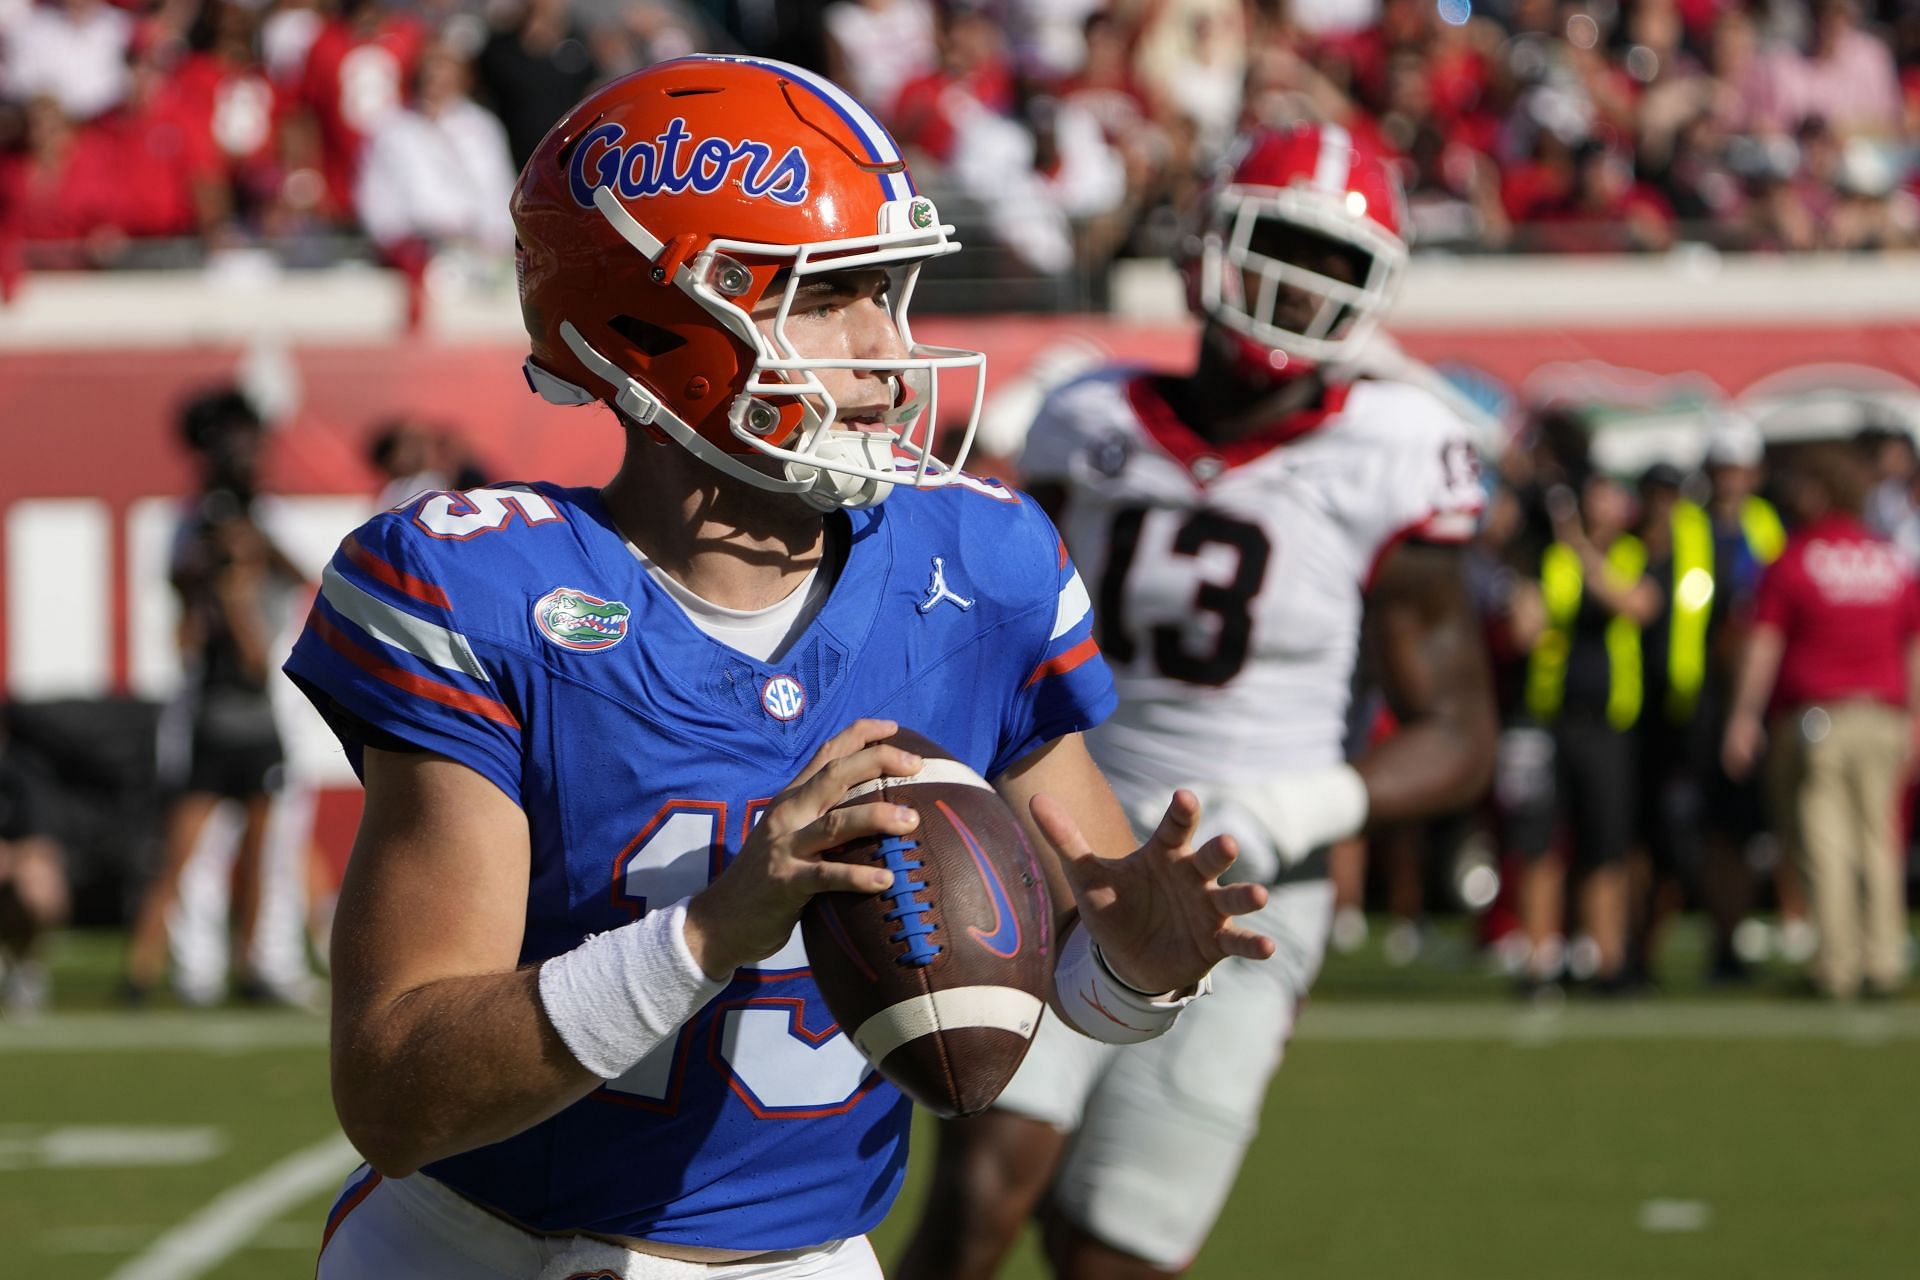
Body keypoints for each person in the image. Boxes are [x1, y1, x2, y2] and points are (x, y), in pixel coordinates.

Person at [292, 57, 1272, 1279]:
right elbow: (396, 1095)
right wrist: (709, 929)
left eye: (892, 292)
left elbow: (1064, 965)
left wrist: (1140, 969)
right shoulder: (486, 595)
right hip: (483, 1254)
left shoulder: (975, 565)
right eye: (831, 295)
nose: (885, 349)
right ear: (655, 326)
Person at [898, 123, 1497, 1280]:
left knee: (1116, 1242)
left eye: (1330, 263)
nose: (1295, 283)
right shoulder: (1088, 418)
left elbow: (1460, 735)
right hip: (1073, 840)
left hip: (1254, 873)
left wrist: (1288, 808)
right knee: (981, 1193)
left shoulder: (1398, 448)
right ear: (1213, 241)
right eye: (1278, 243)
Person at [123, 387, 308, 1006]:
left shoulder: (264, 517)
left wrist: (245, 552)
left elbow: (293, 581)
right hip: (212, 703)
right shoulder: (191, 519)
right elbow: (185, 604)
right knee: (189, 854)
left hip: (259, 702)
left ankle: (259, 962)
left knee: (268, 848)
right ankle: (186, 968)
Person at [1723, 441, 1918, 1000]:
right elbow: (1913, 645)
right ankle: (1882, 962)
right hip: (1884, 715)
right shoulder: (1888, 558)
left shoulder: (1798, 556)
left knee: (1825, 841)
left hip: (1820, 718)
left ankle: (1836, 965)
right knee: (1879, 842)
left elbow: (1765, 644)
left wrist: (1743, 716)